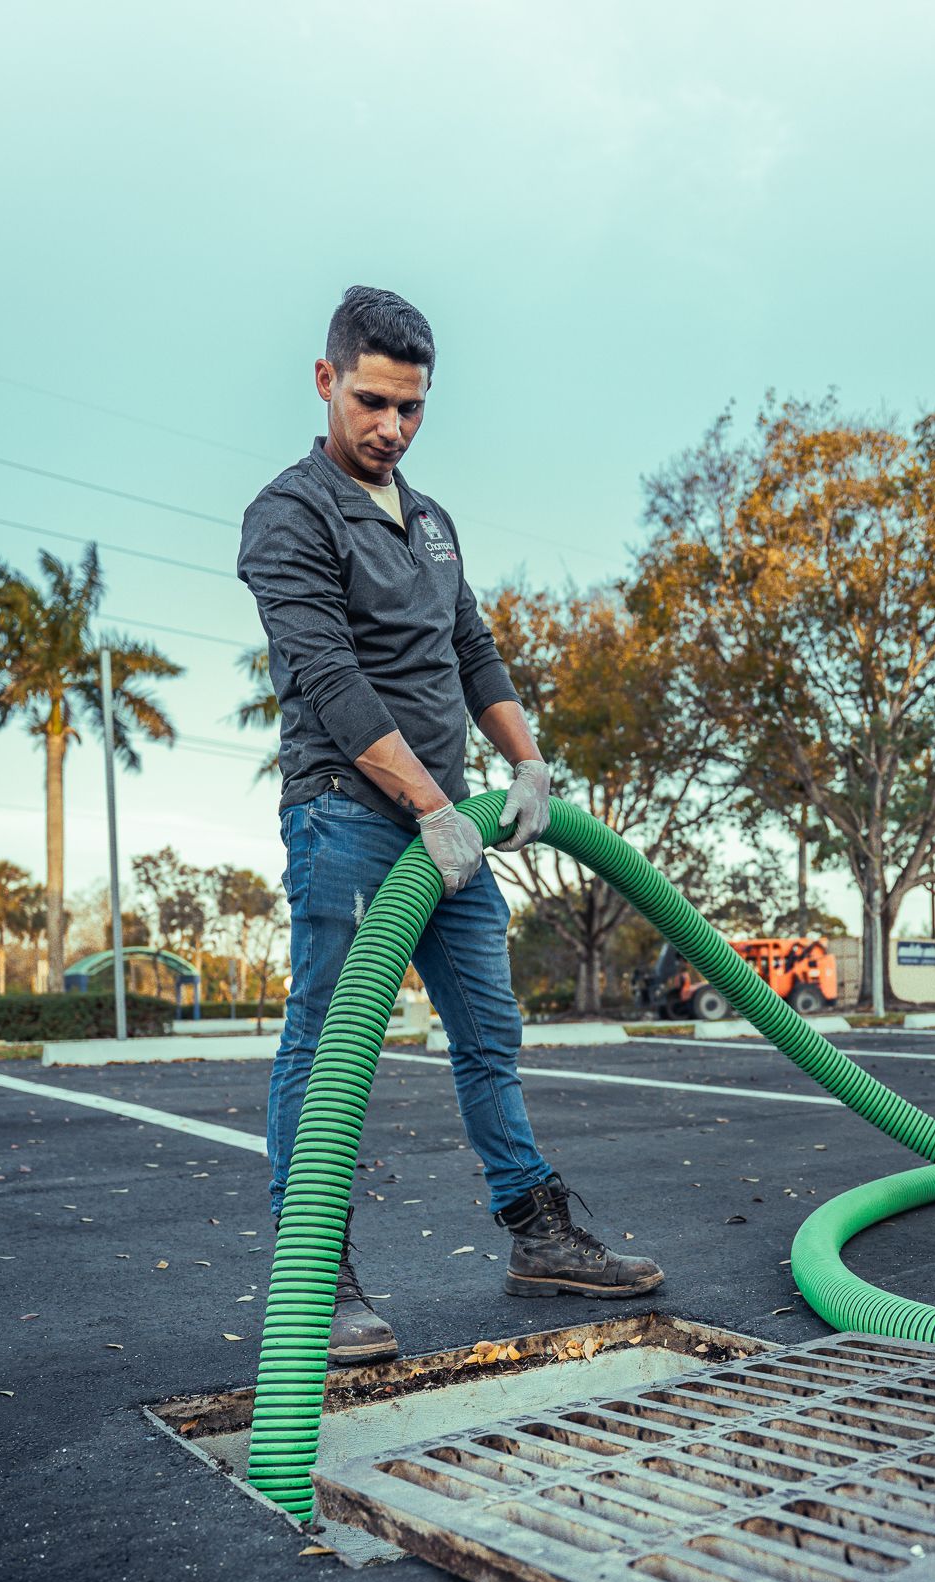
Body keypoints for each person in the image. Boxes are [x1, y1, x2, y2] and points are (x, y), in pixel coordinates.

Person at [237, 285, 663, 1363]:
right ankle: (314, 1269)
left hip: (456, 829)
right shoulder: (288, 513)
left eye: (412, 408)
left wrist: (525, 763)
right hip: (350, 816)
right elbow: (326, 675)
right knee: (329, 1041)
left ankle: (537, 1232)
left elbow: (473, 652)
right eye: (372, 401)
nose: (390, 426)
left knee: (489, 1034)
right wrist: (427, 803)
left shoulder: (430, 522)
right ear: (327, 380)